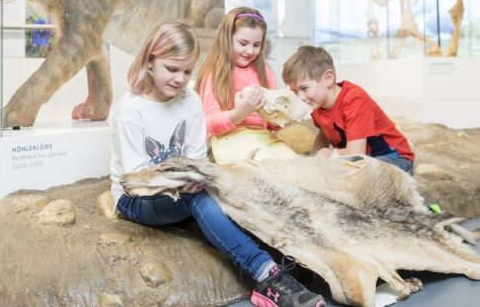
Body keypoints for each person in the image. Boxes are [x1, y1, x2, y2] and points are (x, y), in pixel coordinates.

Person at [110, 19, 324, 307]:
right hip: (139, 198)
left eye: (187, 71)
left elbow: (198, 158)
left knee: (227, 189)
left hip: (185, 186)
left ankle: (304, 257)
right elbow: (137, 180)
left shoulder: (191, 100)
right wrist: (186, 186)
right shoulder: (130, 110)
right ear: (150, 62)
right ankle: (267, 276)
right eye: (171, 69)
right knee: (196, 198)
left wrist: (200, 178)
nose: (180, 79)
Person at [282, 45, 415, 174]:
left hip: (395, 159)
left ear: (328, 78)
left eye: (304, 88)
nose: (300, 97)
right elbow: (324, 133)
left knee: (352, 175)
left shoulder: (354, 100)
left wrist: (328, 154)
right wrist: (312, 161)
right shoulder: (318, 104)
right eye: (295, 91)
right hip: (362, 158)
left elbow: (356, 155)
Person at [195, 6, 298, 165]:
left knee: (297, 167)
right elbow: (209, 124)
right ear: (227, 38)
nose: (250, 51)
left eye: (256, 45)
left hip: (264, 136)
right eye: (243, 43)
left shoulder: (266, 72)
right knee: (267, 169)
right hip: (229, 137)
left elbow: (270, 125)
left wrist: (280, 117)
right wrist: (240, 112)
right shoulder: (214, 73)